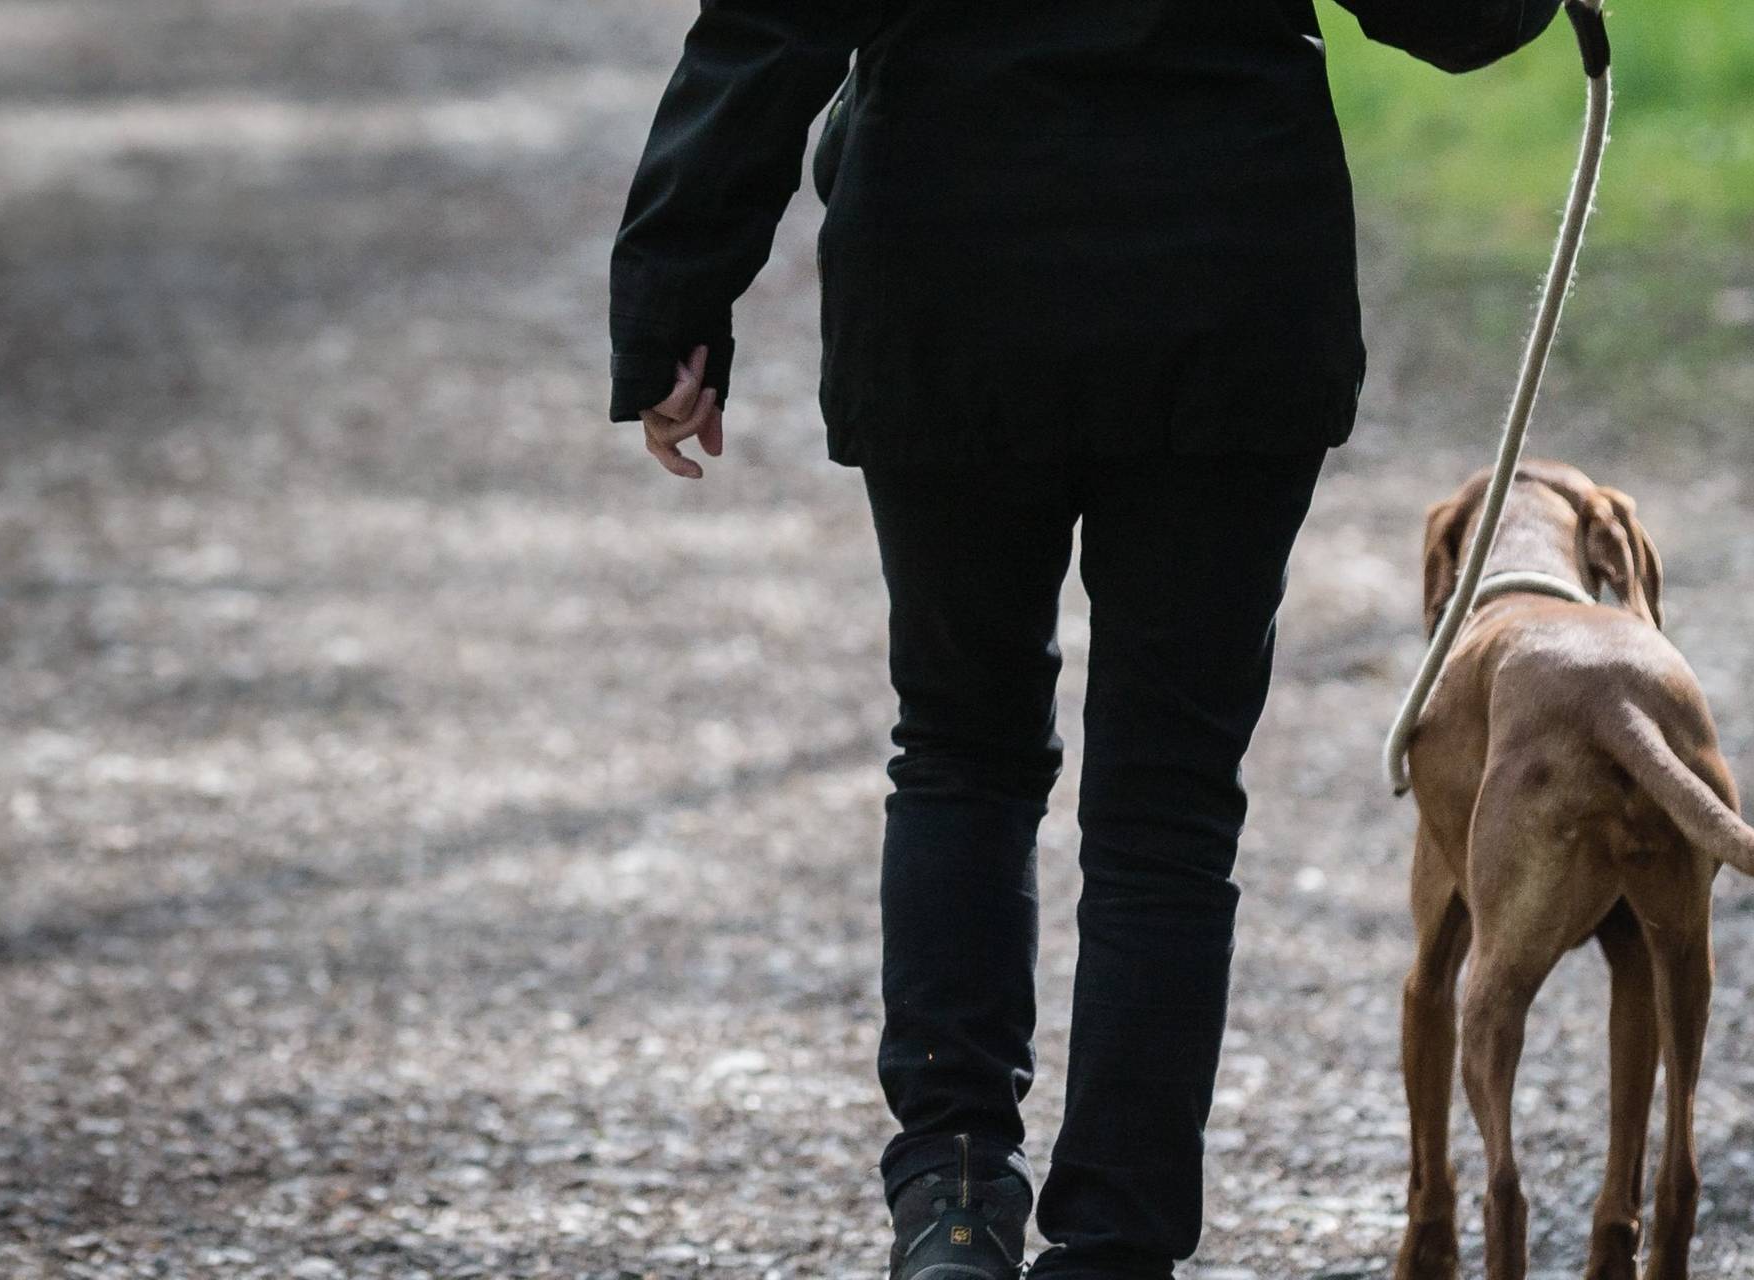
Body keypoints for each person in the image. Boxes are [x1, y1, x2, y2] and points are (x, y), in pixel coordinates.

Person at [606, 0, 1558, 1274]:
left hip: (952, 279)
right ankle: (1115, 1237)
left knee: (960, 746)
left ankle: (950, 1191)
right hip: (1223, 288)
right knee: (1165, 801)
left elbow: (773, 20)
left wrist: (676, 286)